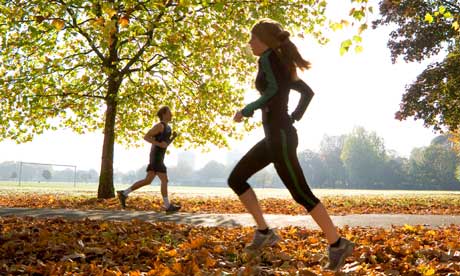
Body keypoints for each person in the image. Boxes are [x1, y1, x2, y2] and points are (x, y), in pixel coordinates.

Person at [228, 19, 354, 272]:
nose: (250, 42)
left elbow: (274, 91)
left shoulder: (268, 59)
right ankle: (264, 231)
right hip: (277, 137)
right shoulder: (281, 62)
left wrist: (248, 109)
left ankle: (338, 244)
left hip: (281, 138)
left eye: (253, 38)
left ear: (264, 39)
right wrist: (294, 116)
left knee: (301, 194)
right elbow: (307, 93)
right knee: (237, 178)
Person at [117, 106, 181, 212]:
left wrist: (173, 138)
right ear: (164, 114)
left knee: (148, 180)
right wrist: (158, 144)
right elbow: (146, 137)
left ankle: (124, 193)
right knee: (164, 180)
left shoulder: (168, 128)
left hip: (159, 156)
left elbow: (164, 145)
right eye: (169, 112)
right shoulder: (160, 126)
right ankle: (168, 206)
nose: (171, 114)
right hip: (156, 156)